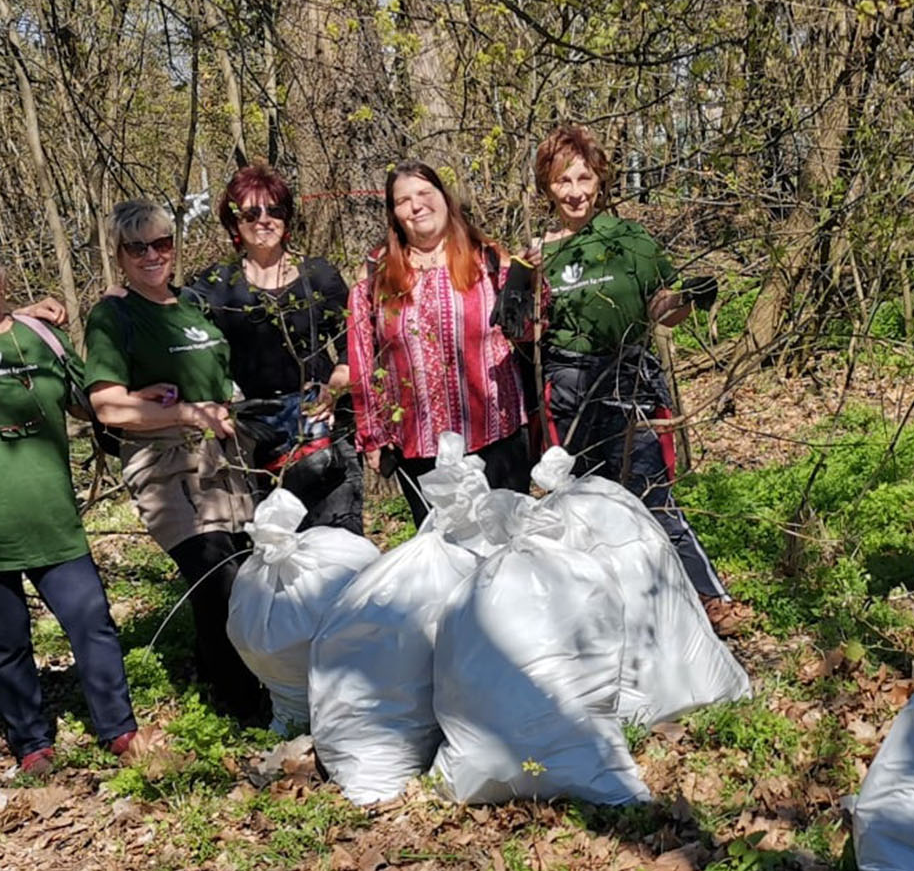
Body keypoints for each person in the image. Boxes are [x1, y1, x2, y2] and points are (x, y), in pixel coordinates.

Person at [0, 235, 147, 777]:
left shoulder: (41, 339)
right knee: (4, 647)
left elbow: (87, 399)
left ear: (0, 281)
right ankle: (31, 744)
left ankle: (119, 730)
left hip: (51, 520)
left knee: (91, 623)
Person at [83, 202, 276, 730]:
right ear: (119, 255)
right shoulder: (114, 315)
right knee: (215, 571)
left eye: (161, 244)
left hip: (226, 461)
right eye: (137, 247)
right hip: (166, 464)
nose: (152, 255)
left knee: (244, 569)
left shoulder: (192, 305)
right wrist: (185, 411)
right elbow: (107, 404)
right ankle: (238, 705)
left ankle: (253, 682)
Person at [524, 126, 732, 605]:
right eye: (562, 182)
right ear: (547, 187)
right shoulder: (541, 253)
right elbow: (528, 333)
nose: (575, 192)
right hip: (568, 388)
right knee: (575, 505)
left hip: (629, 380)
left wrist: (688, 299)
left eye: (583, 178)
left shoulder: (629, 240)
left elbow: (661, 308)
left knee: (650, 493)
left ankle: (707, 598)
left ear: (599, 180)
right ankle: (604, 608)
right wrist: (525, 283)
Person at [346, 160, 545, 511]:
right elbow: (362, 356)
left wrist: (531, 284)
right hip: (419, 446)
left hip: (496, 435)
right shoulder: (375, 272)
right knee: (441, 557)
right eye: (403, 200)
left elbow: (528, 332)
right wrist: (371, 435)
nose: (416, 205)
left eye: (424, 193)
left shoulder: (488, 258)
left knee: (506, 551)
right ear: (394, 213)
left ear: (444, 198)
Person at [185, 163, 364, 535]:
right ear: (235, 225)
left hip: (321, 425)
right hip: (254, 437)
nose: (264, 220)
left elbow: (354, 343)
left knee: (341, 544)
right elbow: (180, 336)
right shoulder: (216, 285)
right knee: (279, 553)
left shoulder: (319, 275)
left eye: (275, 210)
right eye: (251, 213)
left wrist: (336, 386)